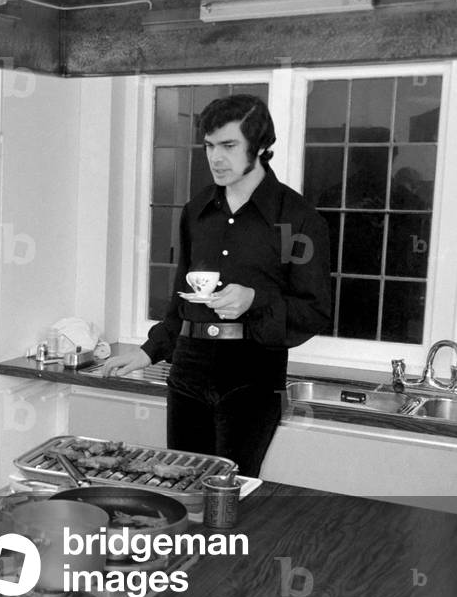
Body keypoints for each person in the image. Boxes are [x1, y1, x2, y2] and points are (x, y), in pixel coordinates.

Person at [103, 94, 332, 477]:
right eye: (209, 146)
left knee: (231, 497)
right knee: (183, 486)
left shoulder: (299, 219)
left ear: (259, 147)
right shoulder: (196, 212)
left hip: (253, 373)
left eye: (228, 146)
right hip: (189, 369)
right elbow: (180, 305)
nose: (215, 158)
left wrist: (255, 300)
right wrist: (148, 352)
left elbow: (314, 310)